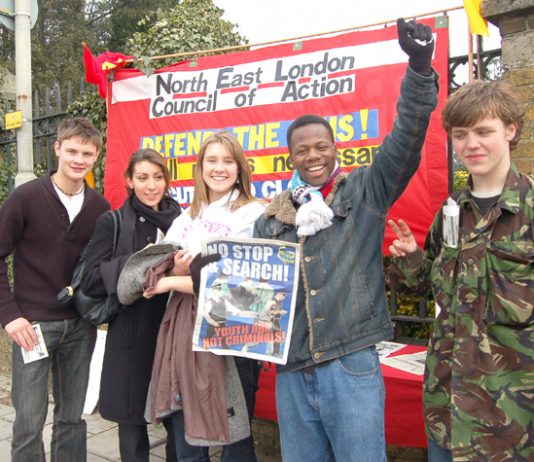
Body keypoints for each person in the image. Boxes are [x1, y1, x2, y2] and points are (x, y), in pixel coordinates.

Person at [253, 18, 438, 462]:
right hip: (293, 370)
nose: (313, 156)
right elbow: (257, 294)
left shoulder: (365, 192)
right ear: (291, 156)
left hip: (351, 365)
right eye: (302, 150)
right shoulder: (272, 219)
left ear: (336, 147)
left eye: (321, 146)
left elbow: (406, 141)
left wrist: (419, 68)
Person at [387, 80, 534, 461]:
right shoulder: (452, 212)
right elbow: (433, 292)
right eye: (461, 134)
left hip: (513, 423)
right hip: (447, 412)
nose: (472, 144)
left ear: (510, 130)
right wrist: (411, 260)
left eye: (484, 131)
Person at [145, 130, 265, 462]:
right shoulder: (187, 216)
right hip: (185, 333)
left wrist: (171, 282)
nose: (219, 168)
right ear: (199, 167)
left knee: (235, 438)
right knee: (188, 439)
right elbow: (161, 263)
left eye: (228, 161)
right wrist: (176, 274)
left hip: (231, 333)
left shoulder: (252, 213)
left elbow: (236, 282)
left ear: (240, 169)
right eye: (211, 160)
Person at [0, 117, 110, 461]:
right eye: (73, 151)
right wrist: (10, 315)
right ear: (57, 148)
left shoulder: (100, 208)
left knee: (72, 418)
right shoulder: (25, 198)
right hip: (32, 327)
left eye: (87, 153)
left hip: (80, 327)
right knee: (29, 421)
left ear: (96, 157)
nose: (79, 159)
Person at [80, 149, 181, 462]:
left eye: (157, 177)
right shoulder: (112, 223)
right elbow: (91, 281)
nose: (151, 185)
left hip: (172, 332)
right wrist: (138, 263)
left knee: (178, 420)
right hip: (131, 334)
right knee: (132, 423)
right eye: (142, 178)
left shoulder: (183, 220)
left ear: (166, 180)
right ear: (129, 181)